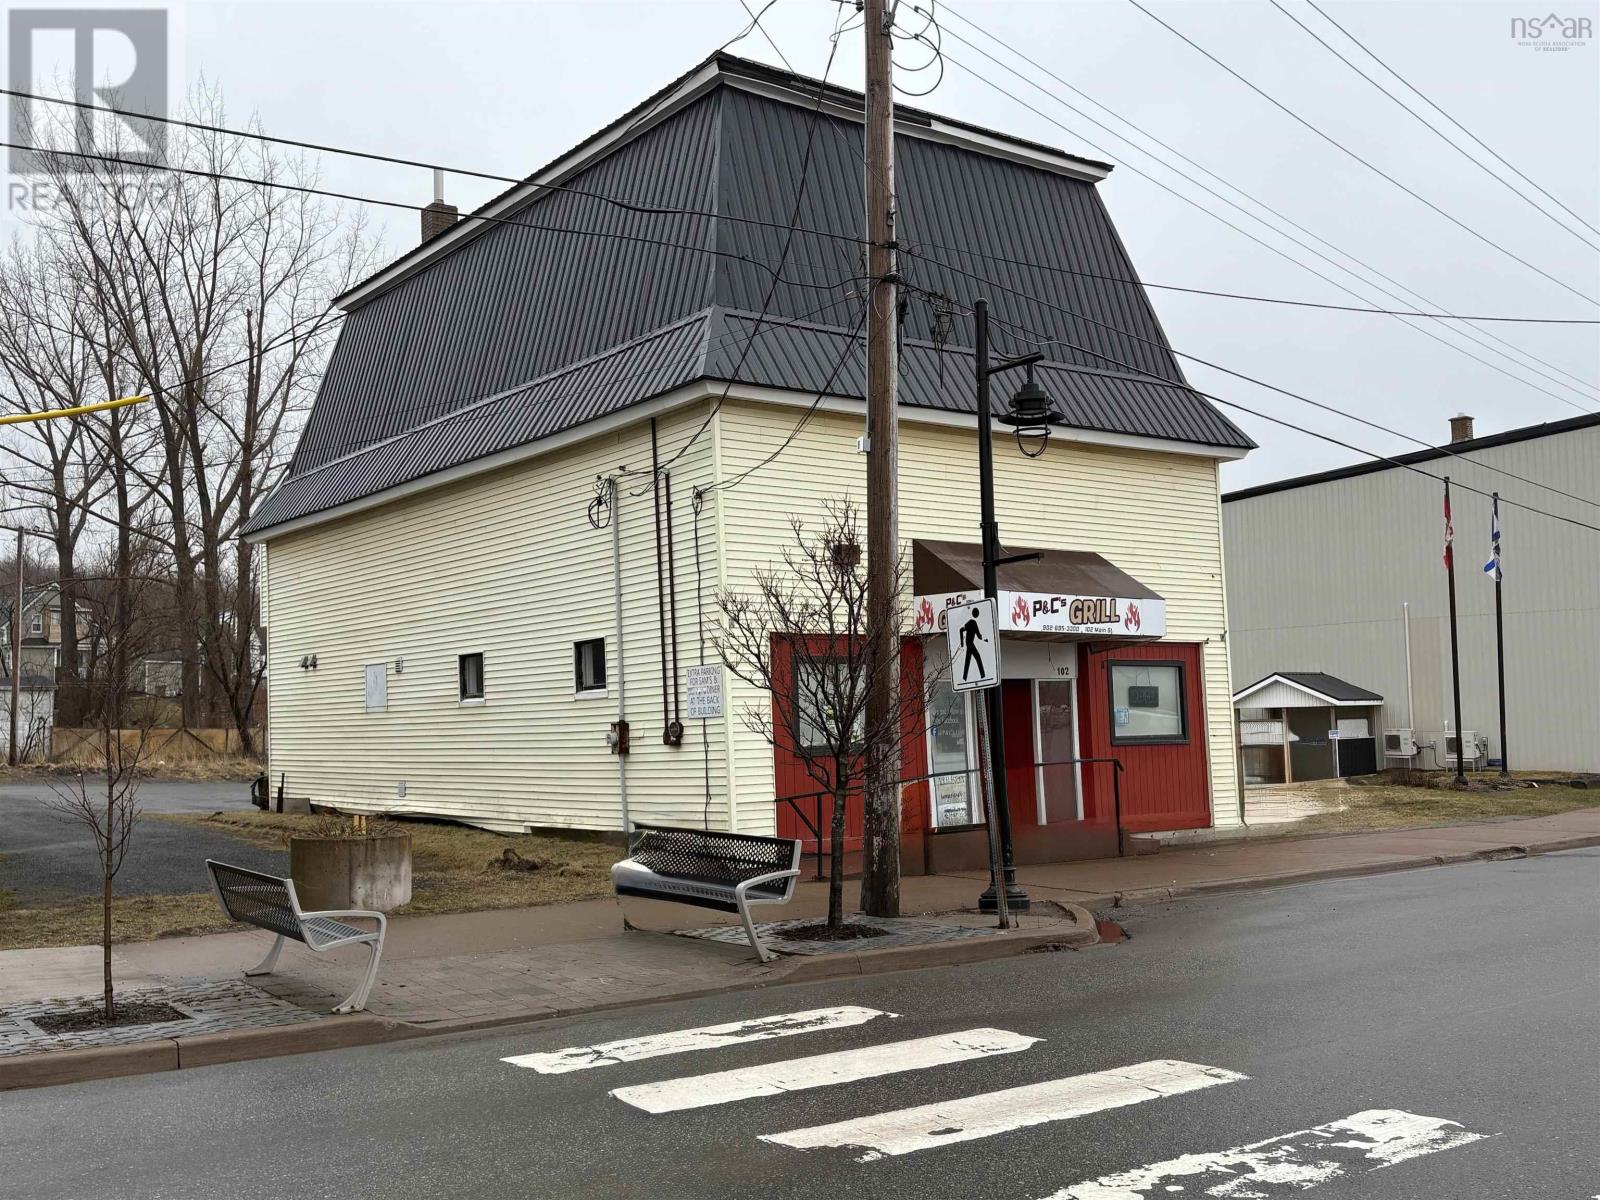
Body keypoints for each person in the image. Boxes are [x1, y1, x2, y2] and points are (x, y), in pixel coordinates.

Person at [958, 606, 988, 682]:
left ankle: (964, 678)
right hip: (970, 644)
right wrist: (985, 639)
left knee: (968, 661)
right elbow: (978, 635)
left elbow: (961, 630)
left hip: (969, 644)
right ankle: (983, 676)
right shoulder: (973, 623)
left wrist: (962, 643)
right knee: (978, 658)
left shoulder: (970, 622)